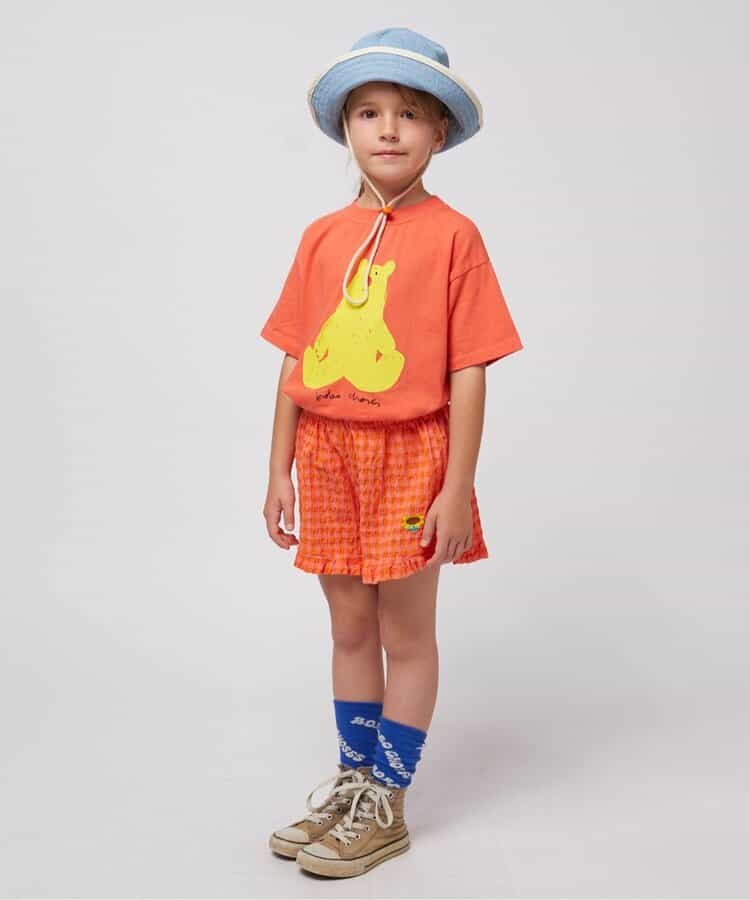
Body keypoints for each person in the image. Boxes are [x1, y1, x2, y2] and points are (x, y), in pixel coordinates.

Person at [261, 27, 523, 879]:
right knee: (349, 626)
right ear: (346, 129)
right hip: (327, 453)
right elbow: (296, 359)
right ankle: (353, 780)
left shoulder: (455, 236)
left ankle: (389, 800)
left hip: (412, 455)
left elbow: (469, 369)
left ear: (438, 132)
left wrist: (457, 485)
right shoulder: (320, 236)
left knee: (405, 631)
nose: (387, 129)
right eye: (369, 112)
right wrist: (277, 469)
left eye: (409, 114)